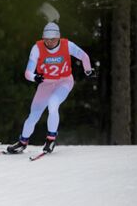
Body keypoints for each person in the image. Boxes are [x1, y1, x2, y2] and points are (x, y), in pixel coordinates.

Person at [6, 22, 94, 154]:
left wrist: (88, 70)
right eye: (46, 39)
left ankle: (50, 139)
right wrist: (34, 77)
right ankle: (22, 142)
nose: (49, 42)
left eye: (52, 39)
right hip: (46, 84)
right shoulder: (37, 48)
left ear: (58, 37)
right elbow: (28, 72)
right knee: (33, 116)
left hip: (64, 82)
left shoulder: (67, 45)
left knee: (53, 103)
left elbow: (84, 56)